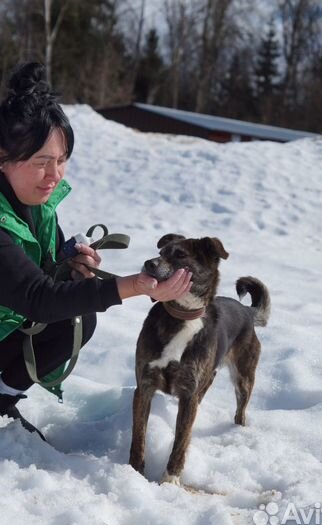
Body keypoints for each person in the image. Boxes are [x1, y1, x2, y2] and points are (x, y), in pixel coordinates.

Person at [0, 62, 192, 439]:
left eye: (61, 159)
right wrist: (135, 285)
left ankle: (1, 400)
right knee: (61, 308)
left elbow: (40, 276)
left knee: (75, 317)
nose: (54, 175)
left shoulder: (37, 204)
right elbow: (37, 297)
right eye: (41, 162)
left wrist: (69, 266)